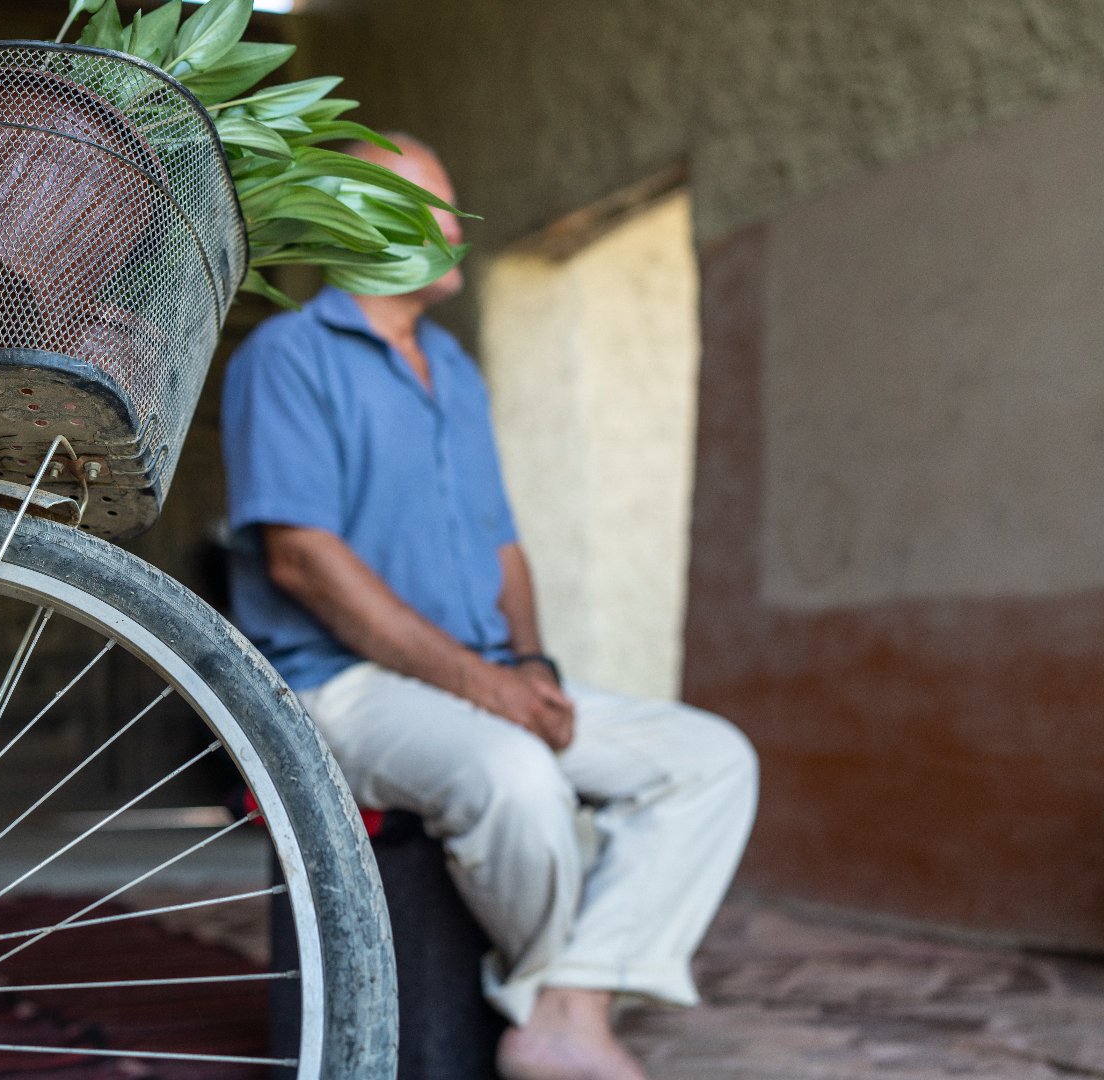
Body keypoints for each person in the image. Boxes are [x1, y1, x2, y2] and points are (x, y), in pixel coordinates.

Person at [219, 134, 759, 1080]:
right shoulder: (286, 357)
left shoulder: (455, 371)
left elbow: (501, 542)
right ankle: (566, 1014)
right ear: (358, 219)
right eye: (434, 203)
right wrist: (491, 690)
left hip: (479, 677)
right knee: (514, 776)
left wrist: (534, 666)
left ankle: (564, 1011)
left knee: (709, 760)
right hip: (339, 690)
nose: (457, 226)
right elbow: (304, 560)